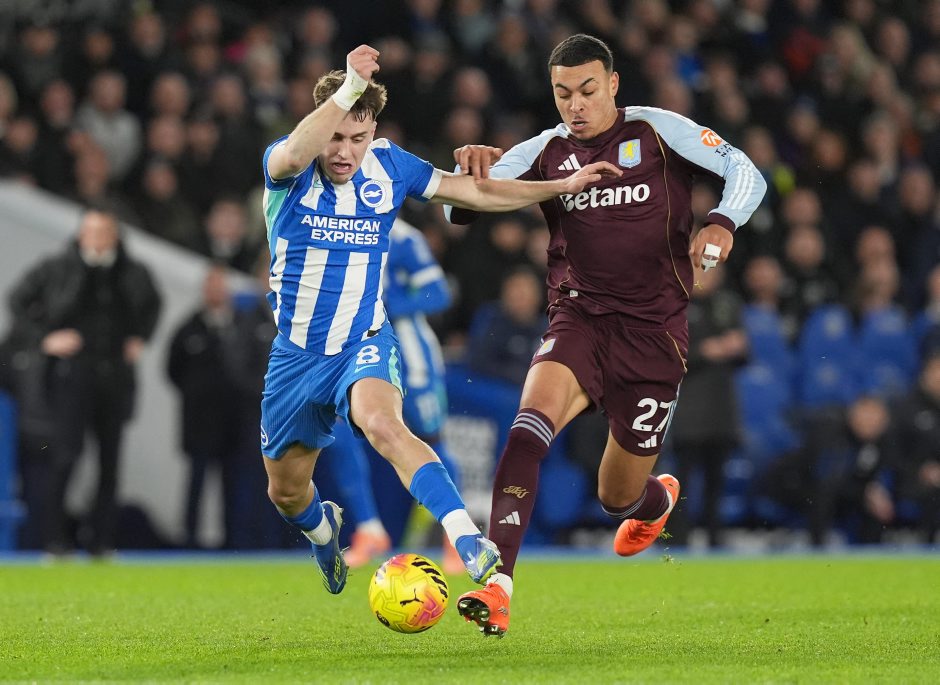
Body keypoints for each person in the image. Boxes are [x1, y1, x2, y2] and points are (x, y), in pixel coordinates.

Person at [259, 43, 619, 595]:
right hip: (295, 355)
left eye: (359, 138)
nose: (345, 151)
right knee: (286, 494)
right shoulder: (287, 168)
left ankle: (466, 537)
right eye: (337, 137)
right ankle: (322, 528)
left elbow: (472, 190)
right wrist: (348, 89)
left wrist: (560, 188)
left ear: (374, 133)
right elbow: (297, 150)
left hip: (362, 340)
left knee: (384, 425)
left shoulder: (390, 166)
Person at [446, 33, 766, 636]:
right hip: (579, 319)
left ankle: (654, 502)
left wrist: (722, 222)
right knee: (526, 431)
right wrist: (472, 168)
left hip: (654, 336)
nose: (576, 105)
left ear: (613, 84)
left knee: (617, 497)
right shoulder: (545, 151)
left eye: (588, 90)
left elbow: (745, 170)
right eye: (563, 93)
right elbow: (458, 204)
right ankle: (497, 586)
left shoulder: (657, 131)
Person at [7, 207, 161, 556]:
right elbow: (17, 301)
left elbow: (152, 306)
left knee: (110, 463)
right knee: (64, 458)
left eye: (104, 231)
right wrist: (45, 339)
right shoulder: (57, 267)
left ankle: (101, 541)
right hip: (71, 377)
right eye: (91, 231)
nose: (97, 238)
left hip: (114, 378)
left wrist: (140, 337)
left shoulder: (132, 272)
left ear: (115, 235)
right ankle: (55, 540)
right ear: (80, 234)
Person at [320, 217, 466, 574]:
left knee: (431, 439)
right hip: (355, 351)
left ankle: (455, 537)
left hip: (411, 356)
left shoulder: (402, 237)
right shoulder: (332, 223)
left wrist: (384, 305)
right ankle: (370, 529)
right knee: (338, 432)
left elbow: (438, 293)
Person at [166, 265, 242, 548]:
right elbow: (172, 369)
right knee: (196, 482)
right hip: (199, 422)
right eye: (212, 286)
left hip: (234, 421)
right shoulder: (189, 328)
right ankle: (189, 540)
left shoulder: (240, 325)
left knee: (232, 484)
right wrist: (196, 393)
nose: (216, 292)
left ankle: (233, 542)